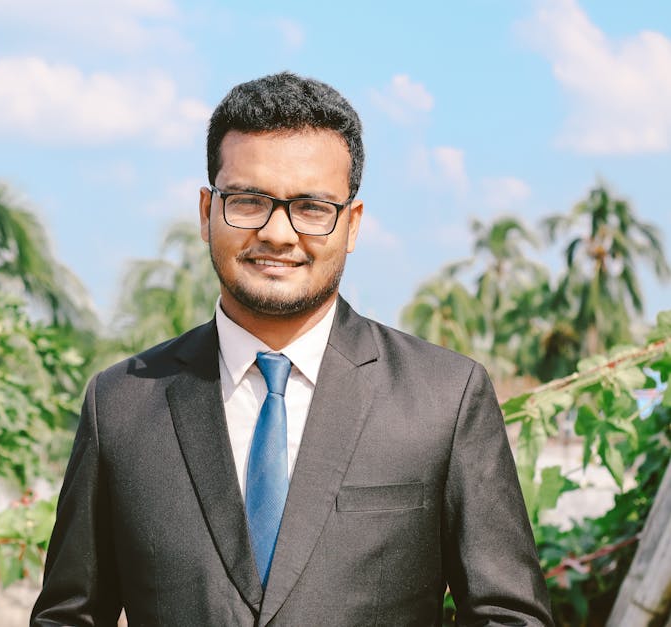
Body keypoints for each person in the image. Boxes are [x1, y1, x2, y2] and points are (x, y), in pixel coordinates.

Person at [30, 72, 553, 626]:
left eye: (311, 207)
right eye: (249, 200)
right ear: (206, 211)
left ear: (351, 224)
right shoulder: (121, 404)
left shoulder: (443, 398)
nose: (278, 233)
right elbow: (70, 616)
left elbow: (509, 615)